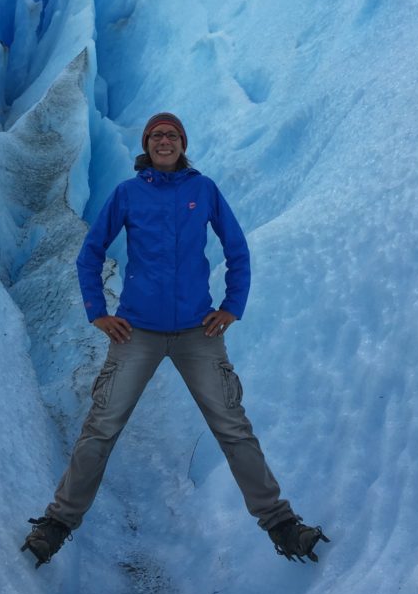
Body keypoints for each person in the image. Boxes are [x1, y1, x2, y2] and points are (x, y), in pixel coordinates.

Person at [22, 112, 328, 568]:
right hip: (137, 331)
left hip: (196, 332)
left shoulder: (202, 191)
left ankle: (281, 523)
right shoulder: (128, 194)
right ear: (147, 145)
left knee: (233, 428)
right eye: (157, 135)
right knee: (101, 428)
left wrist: (232, 307)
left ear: (183, 144)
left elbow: (237, 250)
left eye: (173, 135)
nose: (165, 140)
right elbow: (91, 255)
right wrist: (98, 314)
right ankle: (57, 523)